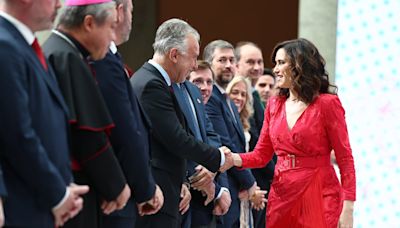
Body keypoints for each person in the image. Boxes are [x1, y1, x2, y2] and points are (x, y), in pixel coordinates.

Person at [224, 38, 356, 228]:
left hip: (319, 193)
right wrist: (233, 159)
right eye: (275, 64)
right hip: (282, 195)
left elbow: (345, 159)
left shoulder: (327, 104)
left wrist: (348, 207)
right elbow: (261, 155)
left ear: (299, 65)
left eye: (281, 63)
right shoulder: (274, 105)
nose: (275, 69)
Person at [130, 18, 232, 228]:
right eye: (193, 58)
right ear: (174, 54)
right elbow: (176, 139)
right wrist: (219, 157)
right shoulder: (151, 85)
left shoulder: (157, 82)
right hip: (157, 193)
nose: (195, 65)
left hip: (171, 192)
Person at [0, 0, 89, 227]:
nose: (60, 4)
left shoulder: (21, 45)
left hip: (38, 205)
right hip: (21, 208)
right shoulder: (5, 46)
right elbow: (17, 134)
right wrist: (58, 195)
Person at [43, 0, 131, 227]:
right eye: (111, 27)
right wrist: (116, 188)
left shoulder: (57, 50)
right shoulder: (68, 58)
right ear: (89, 23)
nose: (113, 36)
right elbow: (88, 137)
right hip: (76, 192)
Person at [90, 0, 164, 227]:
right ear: (120, 12)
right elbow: (125, 132)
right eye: (131, 10)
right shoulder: (103, 60)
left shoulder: (111, 58)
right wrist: (145, 188)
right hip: (115, 195)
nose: (132, 18)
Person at [203, 40, 258, 228]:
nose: (228, 65)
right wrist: (250, 184)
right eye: (222, 60)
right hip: (222, 188)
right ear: (210, 63)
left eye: (231, 60)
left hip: (236, 191)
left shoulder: (226, 99)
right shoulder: (210, 100)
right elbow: (225, 144)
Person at [176, 60, 231, 228]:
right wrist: (213, 186)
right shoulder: (179, 106)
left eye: (209, 82)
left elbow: (217, 148)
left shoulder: (202, 111)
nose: (205, 87)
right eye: (198, 81)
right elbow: (184, 147)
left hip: (208, 203)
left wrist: (221, 187)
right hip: (186, 197)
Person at [235, 42, 275, 228]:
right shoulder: (234, 98)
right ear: (237, 64)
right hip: (248, 183)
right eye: (251, 62)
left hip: (260, 185)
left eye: (260, 62)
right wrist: (250, 185)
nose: (257, 67)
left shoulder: (254, 97)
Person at [226, 76, 268, 228]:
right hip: (233, 189)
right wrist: (250, 188)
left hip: (245, 191)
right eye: (235, 92)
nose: (239, 98)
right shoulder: (223, 118)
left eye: (243, 94)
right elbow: (229, 152)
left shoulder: (245, 122)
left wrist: (250, 189)